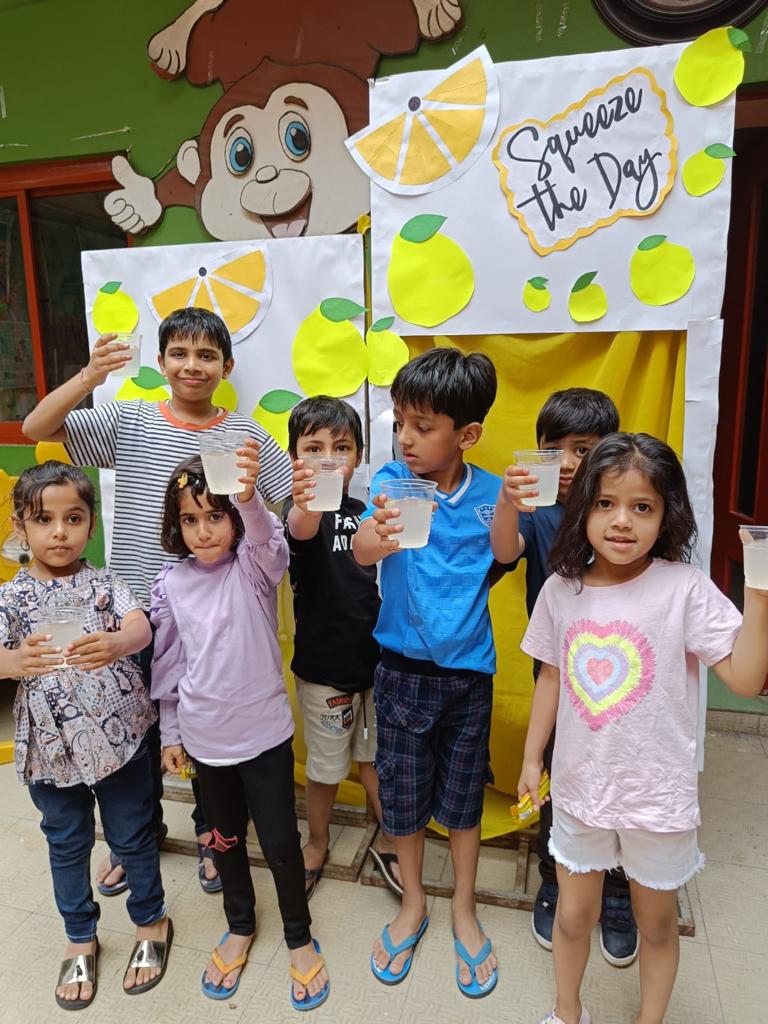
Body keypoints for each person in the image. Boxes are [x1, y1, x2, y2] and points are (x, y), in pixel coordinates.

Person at [22, 307, 292, 895]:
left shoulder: (245, 436)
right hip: (131, 615)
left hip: (210, 619)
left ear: (227, 366)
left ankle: (214, 836)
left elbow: (291, 504)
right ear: (163, 361)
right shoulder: (131, 418)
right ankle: (135, 840)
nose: (193, 365)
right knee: (136, 738)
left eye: (206, 355)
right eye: (180, 353)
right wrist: (91, 375)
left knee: (205, 736)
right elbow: (37, 427)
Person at [515, 433, 768, 1024]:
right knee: (573, 916)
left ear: (666, 515)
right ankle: (567, 1013)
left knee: (655, 924)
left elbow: (746, 679)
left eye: (642, 506)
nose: (622, 520)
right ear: (583, 508)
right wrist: (531, 758)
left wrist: (758, 593)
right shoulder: (561, 590)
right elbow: (550, 678)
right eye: (606, 503)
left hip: (657, 795)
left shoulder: (683, 588)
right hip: (579, 787)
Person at [151, 444, 330, 1010]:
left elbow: (269, 541)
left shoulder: (253, 569)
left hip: (264, 737)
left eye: (215, 515)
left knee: (280, 843)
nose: (203, 531)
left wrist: (249, 497)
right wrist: (171, 733)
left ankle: (299, 936)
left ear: (233, 518)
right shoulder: (171, 584)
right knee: (223, 839)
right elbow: (169, 666)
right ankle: (240, 924)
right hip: (206, 743)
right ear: (176, 526)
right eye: (190, 520)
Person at [353, 347, 501, 998]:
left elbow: (508, 554)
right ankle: (413, 902)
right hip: (402, 672)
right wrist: (381, 534)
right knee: (405, 801)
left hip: (469, 674)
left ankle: (464, 906)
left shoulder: (490, 494)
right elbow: (362, 552)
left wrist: (522, 507)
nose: (406, 438)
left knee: (464, 802)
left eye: (423, 426)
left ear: (466, 434)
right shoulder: (391, 480)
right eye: (400, 424)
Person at [0, 462, 174, 1011]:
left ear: (91, 524)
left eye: (73, 519)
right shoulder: (10, 597)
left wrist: (120, 643)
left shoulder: (105, 583)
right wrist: (12, 661)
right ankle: (80, 935)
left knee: (132, 835)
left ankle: (151, 920)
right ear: (20, 526)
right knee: (66, 841)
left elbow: (140, 623)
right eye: (43, 520)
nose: (59, 532)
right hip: (49, 749)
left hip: (119, 740)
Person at [490, 388, 637, 964]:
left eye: (583, 448)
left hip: (626, 678)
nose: (569, 462)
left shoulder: (629, 511)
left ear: (611, 450)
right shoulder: (540, 511)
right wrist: (509, 503)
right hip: (557, 673)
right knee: (555, 771)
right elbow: (505, 552)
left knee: (620, 777)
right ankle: (556, 876)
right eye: (554, 449)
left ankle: (618, 889)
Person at [284, 396, 401, 898]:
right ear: (295, 457)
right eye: (314, 449)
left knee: (376, 761)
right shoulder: (298, 514)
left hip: (377, 663)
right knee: (327, 767)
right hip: (323, 669)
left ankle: (392, 837)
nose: (329, 459)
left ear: (359, 456)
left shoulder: (364, 512)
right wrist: (305, 502)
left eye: (342, 447)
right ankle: (316, 841)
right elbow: (300, 528)